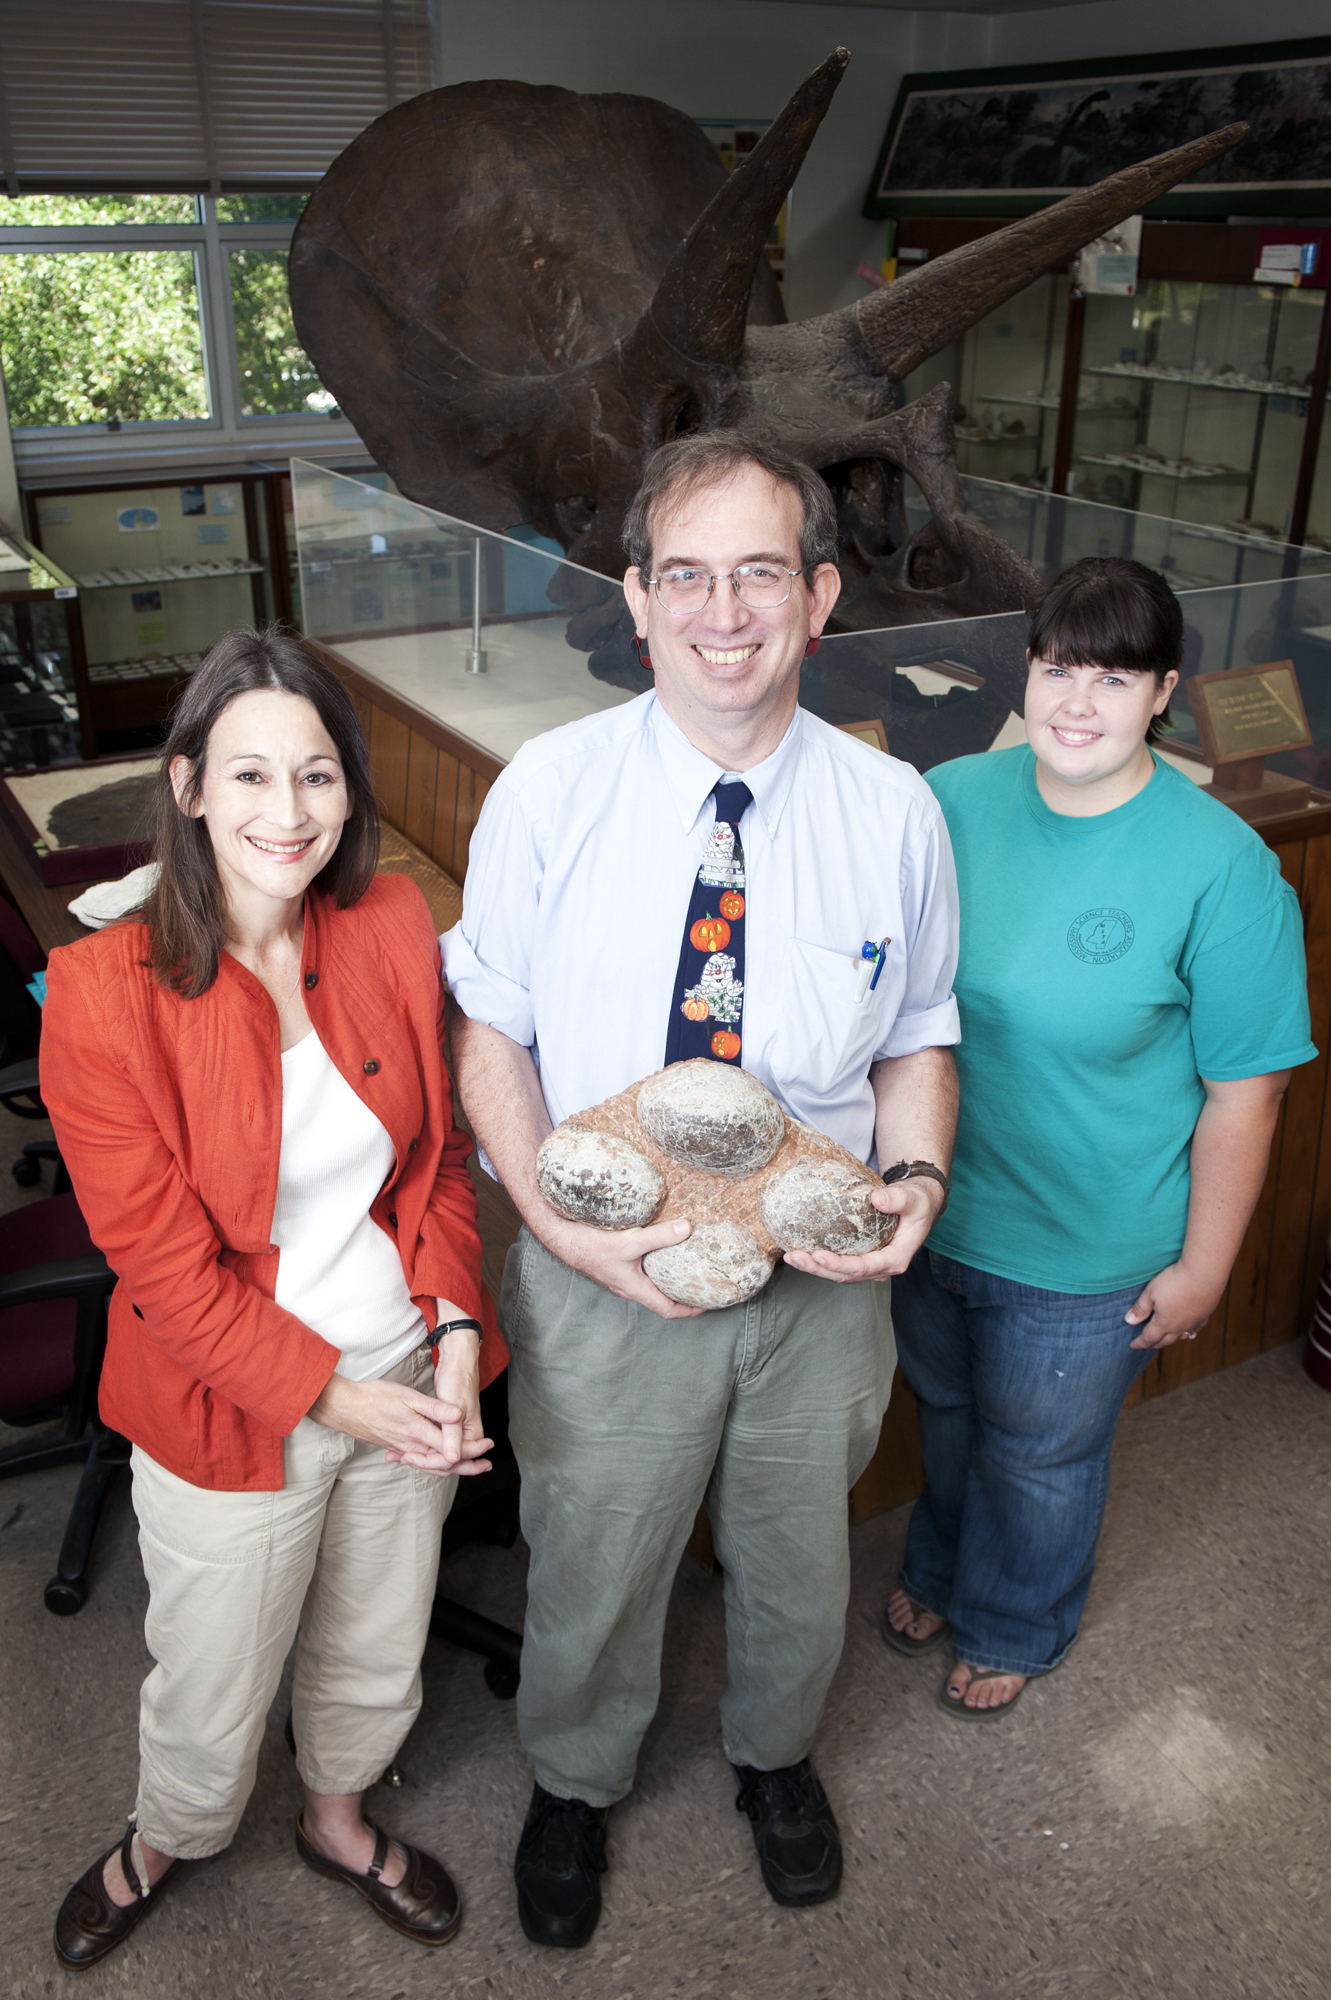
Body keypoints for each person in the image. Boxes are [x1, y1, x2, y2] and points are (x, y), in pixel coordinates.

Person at [444, 432, 960, 1947]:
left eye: (756, 575)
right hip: (606, 1259)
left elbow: (918, 1033)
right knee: (595, 1545)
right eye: (686, 575)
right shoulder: (548, 791)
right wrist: (546, 1222)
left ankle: (774, 1757)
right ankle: (572, 1776)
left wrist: (914, 1174)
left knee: (798, 1549)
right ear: (637, 595)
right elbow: (492, 1025)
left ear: (816, 597)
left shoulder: (893, 813)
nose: (720, 611)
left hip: (818, 1270)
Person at [41, 630, 506, 1969]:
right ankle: (162, 1840)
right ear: (188, 786)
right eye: (249, 776)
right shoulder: (102, 991)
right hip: (222, 1401)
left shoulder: (392, 922)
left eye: (315, 775)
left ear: (348, 789)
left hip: (402, 1368)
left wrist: (458, 1339)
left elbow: (434, 1174)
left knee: (377, 1626)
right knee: (212, 1670)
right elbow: (165, 1270)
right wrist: (340, 1398)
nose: (287, 813)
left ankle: (338, 1818)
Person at [882, 556, 1316, 1717]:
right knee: (950, 1414)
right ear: (1023, 669)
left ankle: (1013, 1619)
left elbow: (1245, 1093)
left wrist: (1204, 1266)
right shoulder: (952, 796)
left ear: (1162, 689)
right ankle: (936, 1564)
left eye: (1113, 678)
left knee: (1037, 1455)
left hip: (1085, 1247)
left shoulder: (1221, 866)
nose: (1075, 702)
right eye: (1057, 667)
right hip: (929, 1208)